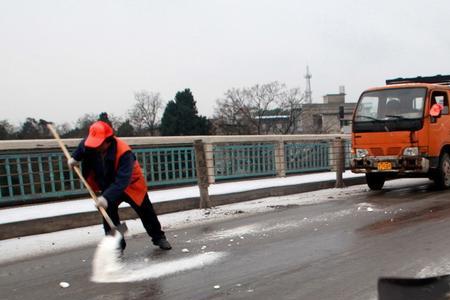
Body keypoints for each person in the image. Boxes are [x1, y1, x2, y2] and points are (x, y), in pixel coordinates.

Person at [68, 114, 171, 251]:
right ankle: (117, 245)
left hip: (131, 184)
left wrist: (106, 197)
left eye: (99, 144)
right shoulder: (91, 143)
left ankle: (159, 237)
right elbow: (82, 148)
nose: (96, 147)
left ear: (108, 141)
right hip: (108, 184)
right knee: (109, 217)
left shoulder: (124, 153)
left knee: (146, 212)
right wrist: (74, 158)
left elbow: (122, 181)